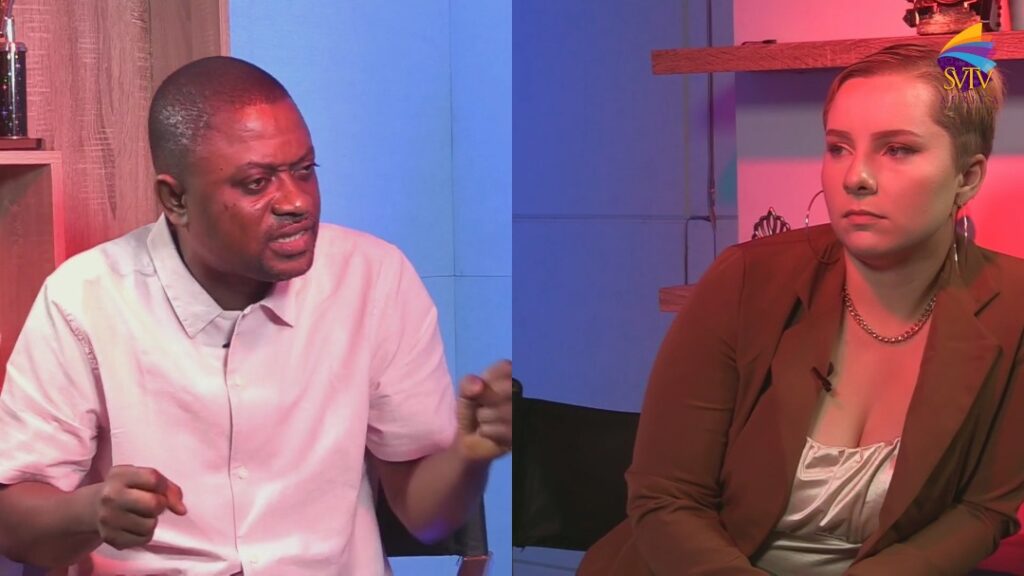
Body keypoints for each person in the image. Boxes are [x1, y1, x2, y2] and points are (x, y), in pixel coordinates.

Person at [0, 56, 512, 574]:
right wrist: (88, 512)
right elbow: (11, 523)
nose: (296, 202)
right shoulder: (84, 298)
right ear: (175, 199)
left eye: (304, 171)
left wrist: (470, 457)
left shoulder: (374, 278)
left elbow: (426, 517)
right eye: (256, 183)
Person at [579, 43, 1024, 575]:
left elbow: (983, 509)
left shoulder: (1013, 305)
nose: (855, 177)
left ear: (967, 177)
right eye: (838, 148)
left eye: (897, 149)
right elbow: (665, 495)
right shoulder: (745, 278)